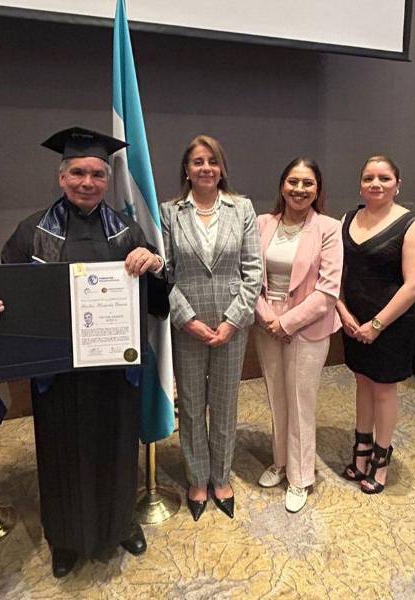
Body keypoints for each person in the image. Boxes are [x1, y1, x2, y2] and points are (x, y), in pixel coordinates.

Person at [0, 127, 168, 578]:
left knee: (118, 444)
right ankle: (63, 538)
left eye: (97, 174)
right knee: (61, 452)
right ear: (61, 177)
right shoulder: (31, 233)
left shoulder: (128, 230)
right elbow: (14, 302)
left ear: (106, 179)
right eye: (78, 172)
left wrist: (156, 265)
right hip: (58, 375)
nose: (87, 181)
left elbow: (155, 300)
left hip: (112, 370)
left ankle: (121, 524)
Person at [161, 135, 262, 520]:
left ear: (222, 168)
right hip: (186, 325)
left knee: (223, 405)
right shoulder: (169, 212)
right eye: (197, 162)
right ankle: (197, 478)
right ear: (186, 169)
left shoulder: (243, 209)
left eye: (212, 161)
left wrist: (232, 321)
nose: (205, 168)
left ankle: (221, 476)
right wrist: (186, 319)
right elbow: (164, 272)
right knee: (189, 406)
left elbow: (252, 272)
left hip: (231, 327)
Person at [336, 155, 415, 494]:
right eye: (369, 178)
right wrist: (343, 312)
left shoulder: (412, 225)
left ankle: (381, 457)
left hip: (391, 325)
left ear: (397, 184)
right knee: (362, 381)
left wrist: (375, 325)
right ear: (360, 183)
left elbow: (414, 285)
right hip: (352, 322)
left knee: (383, 389)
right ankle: (360, 450)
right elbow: (335, 273)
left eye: (384, 178)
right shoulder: (347, 218)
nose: (376, 184)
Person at [253, 158, 343, 513]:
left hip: (308, 326)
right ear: (281, 186)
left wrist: (287, 322)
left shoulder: (328, 228)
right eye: (293, 181)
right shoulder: (262, 223)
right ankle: (280, 462)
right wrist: (267, 318)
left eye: (308, 183)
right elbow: (249, 278)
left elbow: (328, 290)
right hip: (266, 322)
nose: (300, 189)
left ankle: (301, 476)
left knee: (300, 401)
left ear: (318, 189)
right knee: (276, 396)